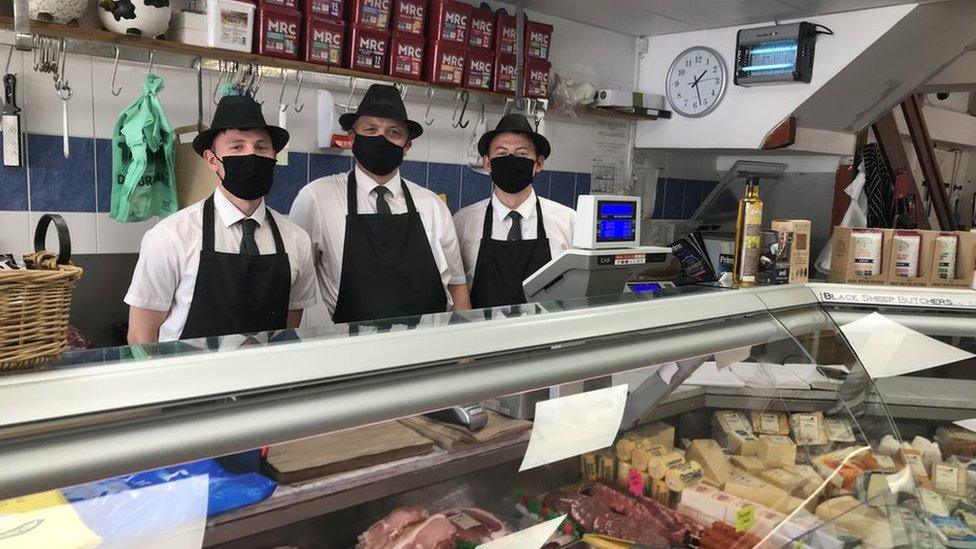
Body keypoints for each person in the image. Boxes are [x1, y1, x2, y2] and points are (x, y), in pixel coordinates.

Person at [124, 94, 317, 343]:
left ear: (273, 158)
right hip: (190, 380)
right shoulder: (170, 237)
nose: (252, 155)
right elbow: (141, 335)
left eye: (261, 147)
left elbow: (288, 328)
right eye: (237, 146)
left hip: (266, 379)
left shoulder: (297, 240)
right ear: (212, 160)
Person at [291, 84, 470, 324]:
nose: (381, 138)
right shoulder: (317, 197)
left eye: (394, 132)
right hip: (356, 351)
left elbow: (458, 288)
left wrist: (464, 350)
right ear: (352, 138)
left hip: (430, 348)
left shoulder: (432, 205)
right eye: (371, 129)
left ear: (407, 146)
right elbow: (293, 287)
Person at [453, 114, 575, 309]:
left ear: (539, 163)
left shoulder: (568, 221)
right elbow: (454, 291)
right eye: (501, 154)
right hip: (483, 334)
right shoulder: (463, 222)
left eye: (521, 154)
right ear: (487, 163)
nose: (511, 160)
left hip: (547, 335)